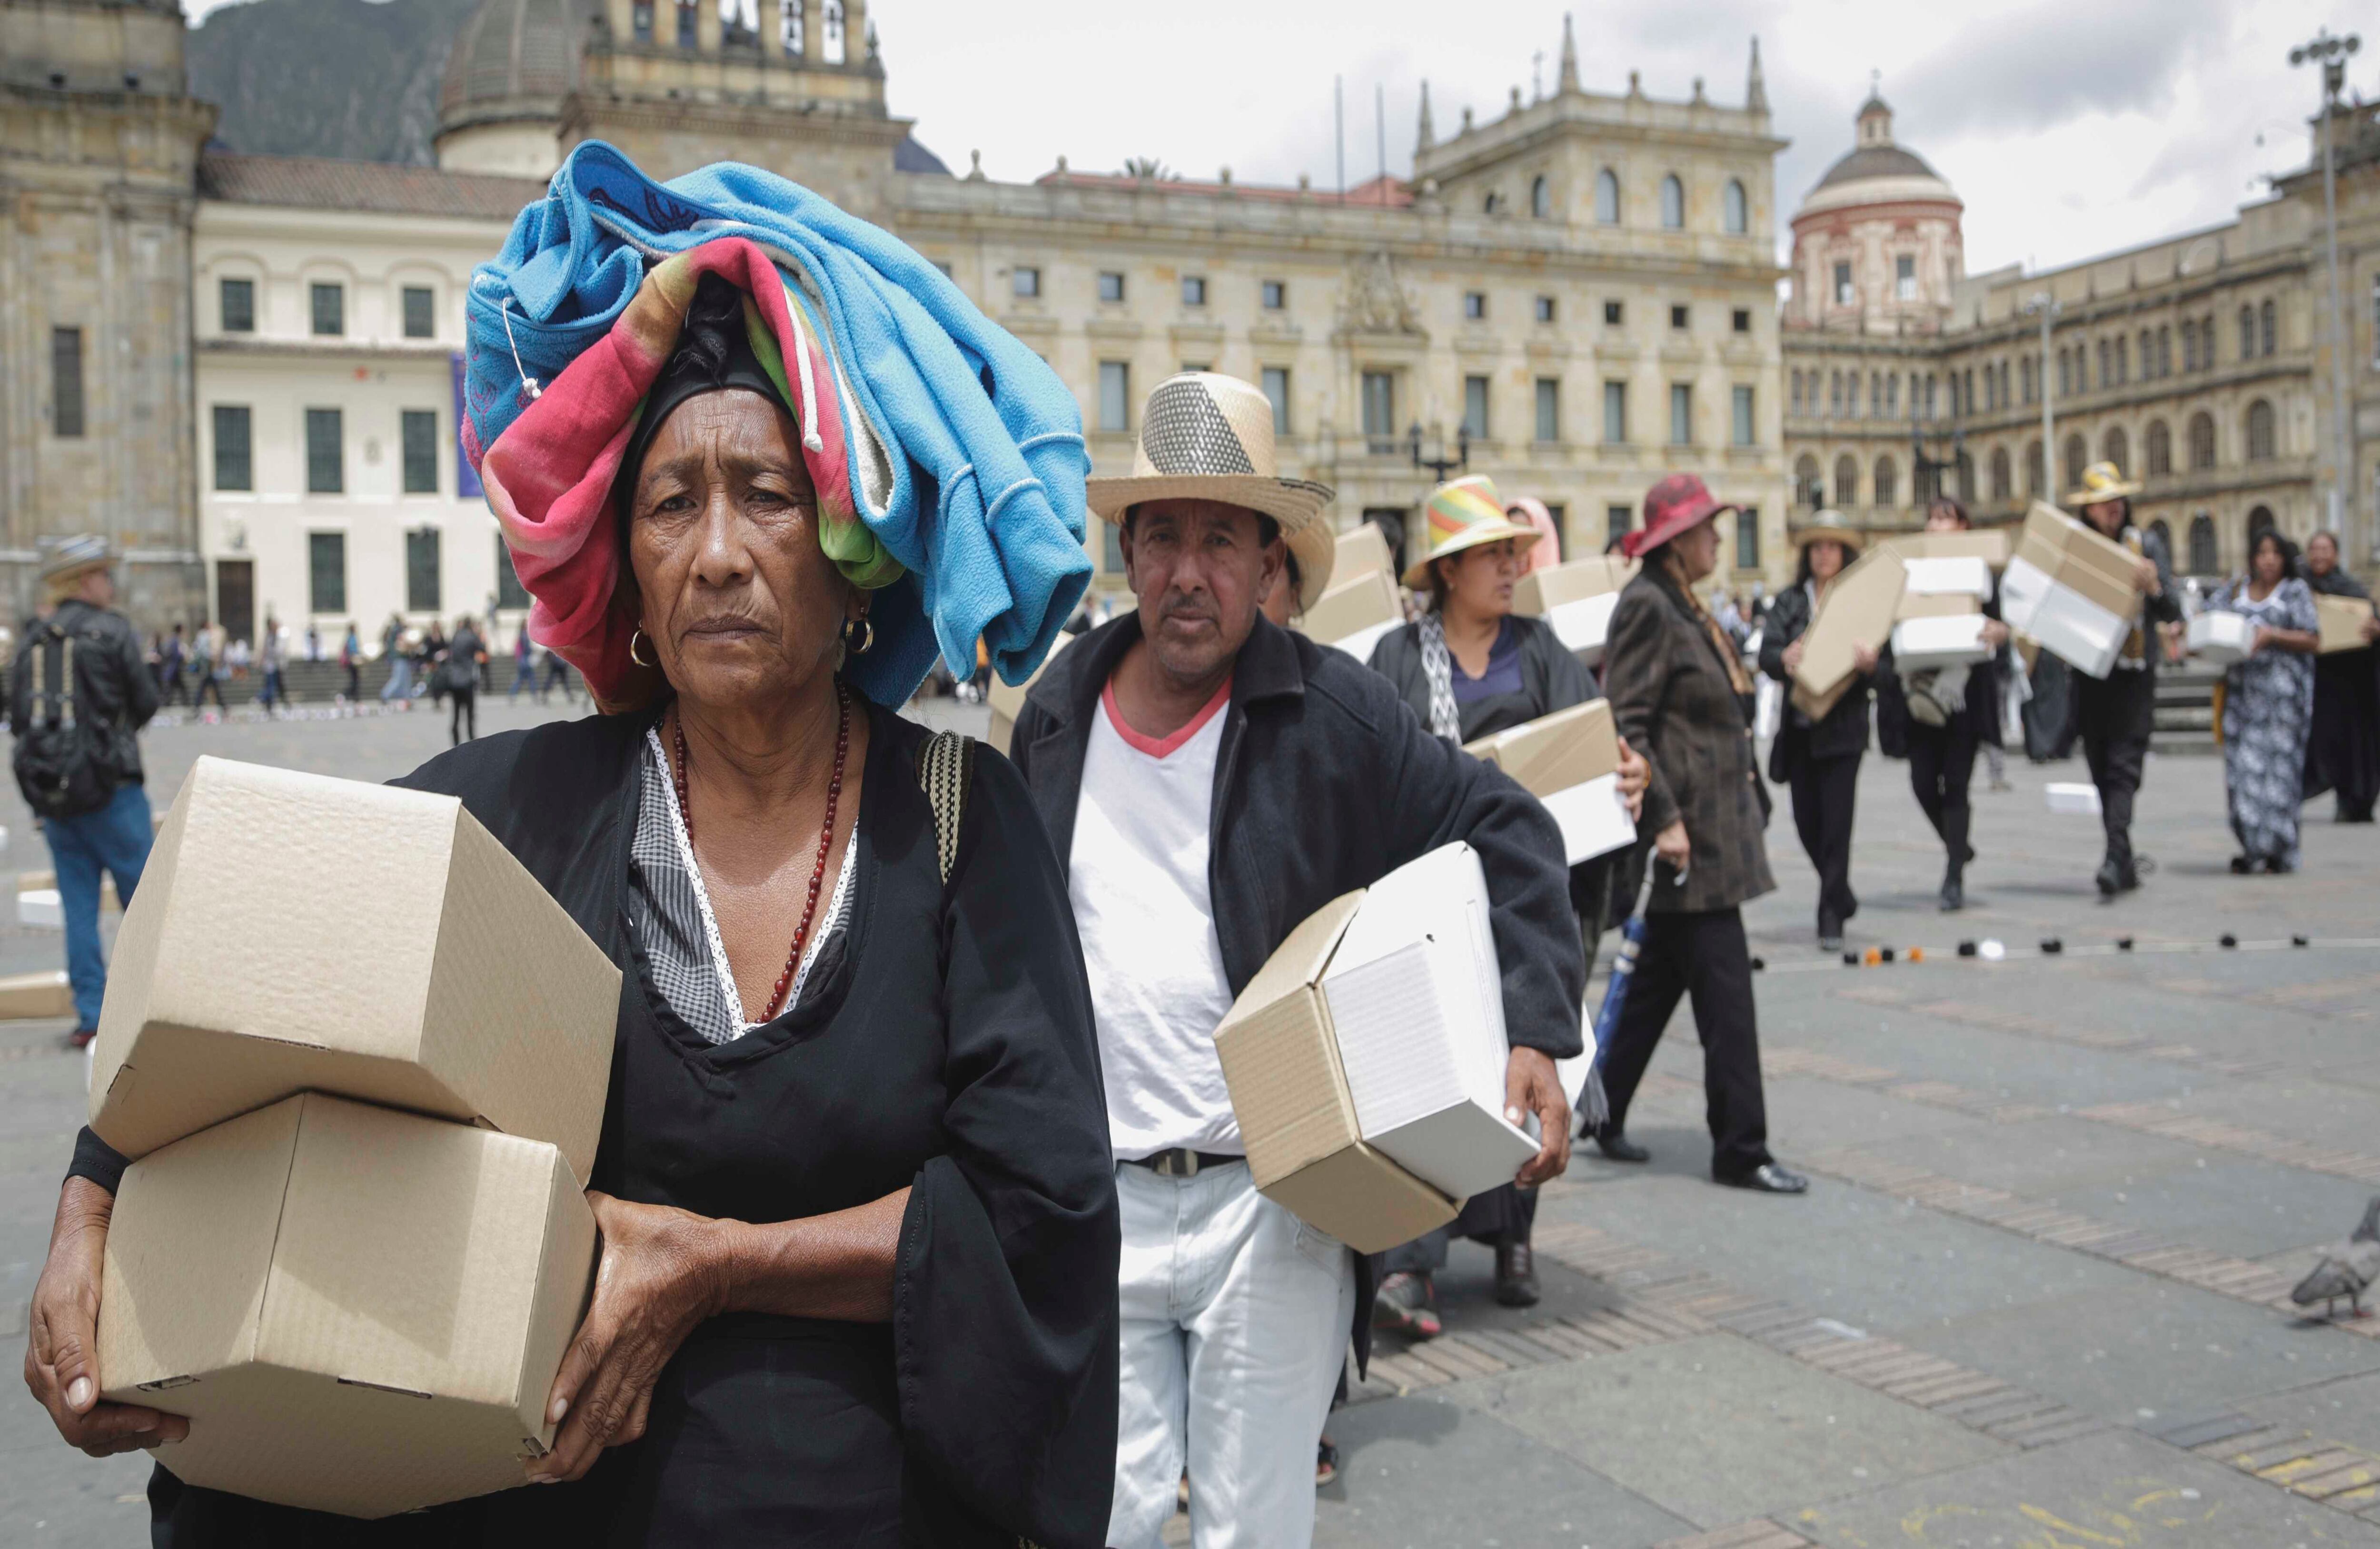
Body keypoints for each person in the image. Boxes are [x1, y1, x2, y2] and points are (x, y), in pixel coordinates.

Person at [29, 250, 1117, 1543]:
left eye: (766, 494)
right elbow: (253, 970)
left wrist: (720, 1262)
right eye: (670, 506)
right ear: (632, 582)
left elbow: (1037, 1206)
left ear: (850, 558)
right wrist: (90, 1203)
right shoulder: (516, 809)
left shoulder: (956, 818)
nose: (716, 554)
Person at [1006, 372, 1582, 1549]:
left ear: (1270, 563)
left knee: (1250, 1530)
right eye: (1162, 536)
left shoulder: (1334, 716)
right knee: (1096, 1522)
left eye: (1222, 539)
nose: (1188, 572)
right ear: (1125, 551)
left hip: (1271, 1207)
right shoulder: (1057, 714)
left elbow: (1508, 826)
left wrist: (1533, 1027)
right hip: (1096, 1200)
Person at [1363, 475, 1646, 1321]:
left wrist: (1632, 774)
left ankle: (1513, 1233)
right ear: (1449, 570)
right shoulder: (1398, 660)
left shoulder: (1543, 649)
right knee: (1429, 1065)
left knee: (1523, 1055)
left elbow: (1594, 746)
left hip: (1526, 897)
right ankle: (1412, 1255)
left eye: (1515, 553)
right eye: (1494, 555)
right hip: (1429, 900)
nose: (1513, 567)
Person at [1592, 474, 1807, 1195]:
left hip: (1715, 825)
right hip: (1692, 836)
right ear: (1679, 539)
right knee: (1727, 998)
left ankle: (1603, 1105)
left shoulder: (1682, 601)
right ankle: (1741, 1146)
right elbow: (1626, 723)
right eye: (1710, 527)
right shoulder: (1648, 605)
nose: (1720, 537)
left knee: (1658, 981)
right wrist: (1665, 819)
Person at [6, 536, 159, 1046]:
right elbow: (145, 701)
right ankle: (150, 1006)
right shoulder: (112, 631)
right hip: (112, 788)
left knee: (79, 907)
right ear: (85, 582)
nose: (111, 585)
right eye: (104, 576)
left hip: (56, 795)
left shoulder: (32, 639)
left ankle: (91, 1013)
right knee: (144, 901)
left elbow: (19, 714)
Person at [1875, 496, 2012, 911]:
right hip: (1920, 693)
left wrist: (1999, 632)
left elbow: (2002, 623)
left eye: (1945, 518)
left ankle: (1953, 875)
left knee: (1955, 784)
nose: (1935, 525)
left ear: (1965, 527)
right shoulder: (1912, 572)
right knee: (1921, 783)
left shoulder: (1982, 573)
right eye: (1931, 518)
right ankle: (1958, 845)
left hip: (1964, 695)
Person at [1756, 515, 1876, 950]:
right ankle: (1840, 892)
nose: (1824, 554)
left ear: (1845, 554)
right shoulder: (1790, 601)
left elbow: (1888, 662)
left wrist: (1870, 664)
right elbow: (1766, 654)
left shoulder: (1861, 601)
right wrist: (1783, 657)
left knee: (1837, 826)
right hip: (1801, 730)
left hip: (1844, 730)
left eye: (1833, 546)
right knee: (1808, 823)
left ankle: (1830, 916)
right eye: (1817, 547)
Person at [2063, 463, 2182, 895]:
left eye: (2116, 500)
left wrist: (2152, 587)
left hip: (2133, 677)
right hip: (2091, 677)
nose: (2111, 508)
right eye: (2101, 503)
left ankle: (2114, 859)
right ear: (2089, 511)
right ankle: (2124, 858)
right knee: (2100, 767)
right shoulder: (2077, 550)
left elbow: (2172, 610)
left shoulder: (2145, 545)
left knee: (2123, 768)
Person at [2208, 529, 2319, 872]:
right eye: (2262, 552)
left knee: (2279, 779)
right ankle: (2252, 845)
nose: (2268, 559)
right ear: (2253, 557)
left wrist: (2273, 635)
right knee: (2242, 775)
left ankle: (2280, 850)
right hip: (2242, 699)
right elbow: (2208, 618)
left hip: (2282, 704)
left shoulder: (2295, 591)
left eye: (2275, 553)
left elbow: (2313, 637)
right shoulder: (2237, 589)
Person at [2301, 529, 2380, 823]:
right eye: (2315, 549)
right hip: (2312, 679)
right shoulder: (2297, 588)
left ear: (2335, 554)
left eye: (2326, 549)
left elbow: (2370, 625)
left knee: (2351, 744)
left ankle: (2352, 802)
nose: (2320, 555)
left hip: (2346, 681)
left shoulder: (2351, 588)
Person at [442, 613, 486, 745]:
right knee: (469, 713)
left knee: (455, 714)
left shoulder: (456, 636)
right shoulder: (472, 636)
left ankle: (455, 741)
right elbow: (482, 648)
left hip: (455, 679)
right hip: (467, 679)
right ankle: (471, 739)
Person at [255, 614, 286, 716]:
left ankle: (270, 705)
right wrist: (261, 661)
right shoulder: (270, 637)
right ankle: (261, 698)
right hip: (270, 666)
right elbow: (268, 651)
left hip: (275, 666)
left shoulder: (275, 636)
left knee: (275, 686)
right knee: (271, 687)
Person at [378, 613, 413, 704]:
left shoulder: (393, 630)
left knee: (406, 679)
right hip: (400, 658)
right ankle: (385, 695)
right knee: (398, 679)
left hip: (401, 658)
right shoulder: (398, 631)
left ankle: (407, 699)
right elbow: (403, 643)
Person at [155, 622, 187, 706]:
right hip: (174, 669)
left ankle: (168, 703)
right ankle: (166, 703)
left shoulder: (174, 639)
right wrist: (183, 657)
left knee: (175, 689)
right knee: (174, 689)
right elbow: (176, 655)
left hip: (174, 670)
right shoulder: (175, 640)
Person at [510, 619, 537, 698]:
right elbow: (527, 649)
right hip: (525, 660)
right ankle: (534, 695)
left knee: (521, 679)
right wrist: (533, 651)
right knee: (531, 678)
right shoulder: (524, 635)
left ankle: (512, 693)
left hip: (522, 660)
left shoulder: (521, 635)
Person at [338, 621, 362, 702]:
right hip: (353, 662)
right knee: (355, 681)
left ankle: (355, 698)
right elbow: (353, 651)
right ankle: (345, 695)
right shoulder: (352, 638)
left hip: (351, 662)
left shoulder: (349, 638)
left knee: (355, 680)